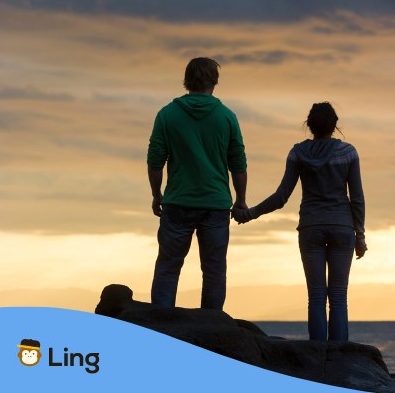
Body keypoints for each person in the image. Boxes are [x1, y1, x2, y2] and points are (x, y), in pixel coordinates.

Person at [233, 102, 366, 341]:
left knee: (316, 295)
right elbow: (356, 198)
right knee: (338, 296)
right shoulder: (348, 153)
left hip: (310, 228)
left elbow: (281, 196)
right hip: (342, 227)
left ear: (309, 125)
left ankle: (316, 358)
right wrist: (361, 236)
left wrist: (251, 213)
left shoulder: (298, 153)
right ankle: (342, 360)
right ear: (335, 126)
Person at [146, 57, 248, 310]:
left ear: (187, 80)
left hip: (177, 201)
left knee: (168, 267)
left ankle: (161, 328)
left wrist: (156, 194)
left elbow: (155, 161)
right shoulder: (227, 117)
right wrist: (241, 199)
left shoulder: (167, 115)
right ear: (214, 81)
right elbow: (238, 163)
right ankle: (211, 327)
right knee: (214, 270)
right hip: (215, 204)